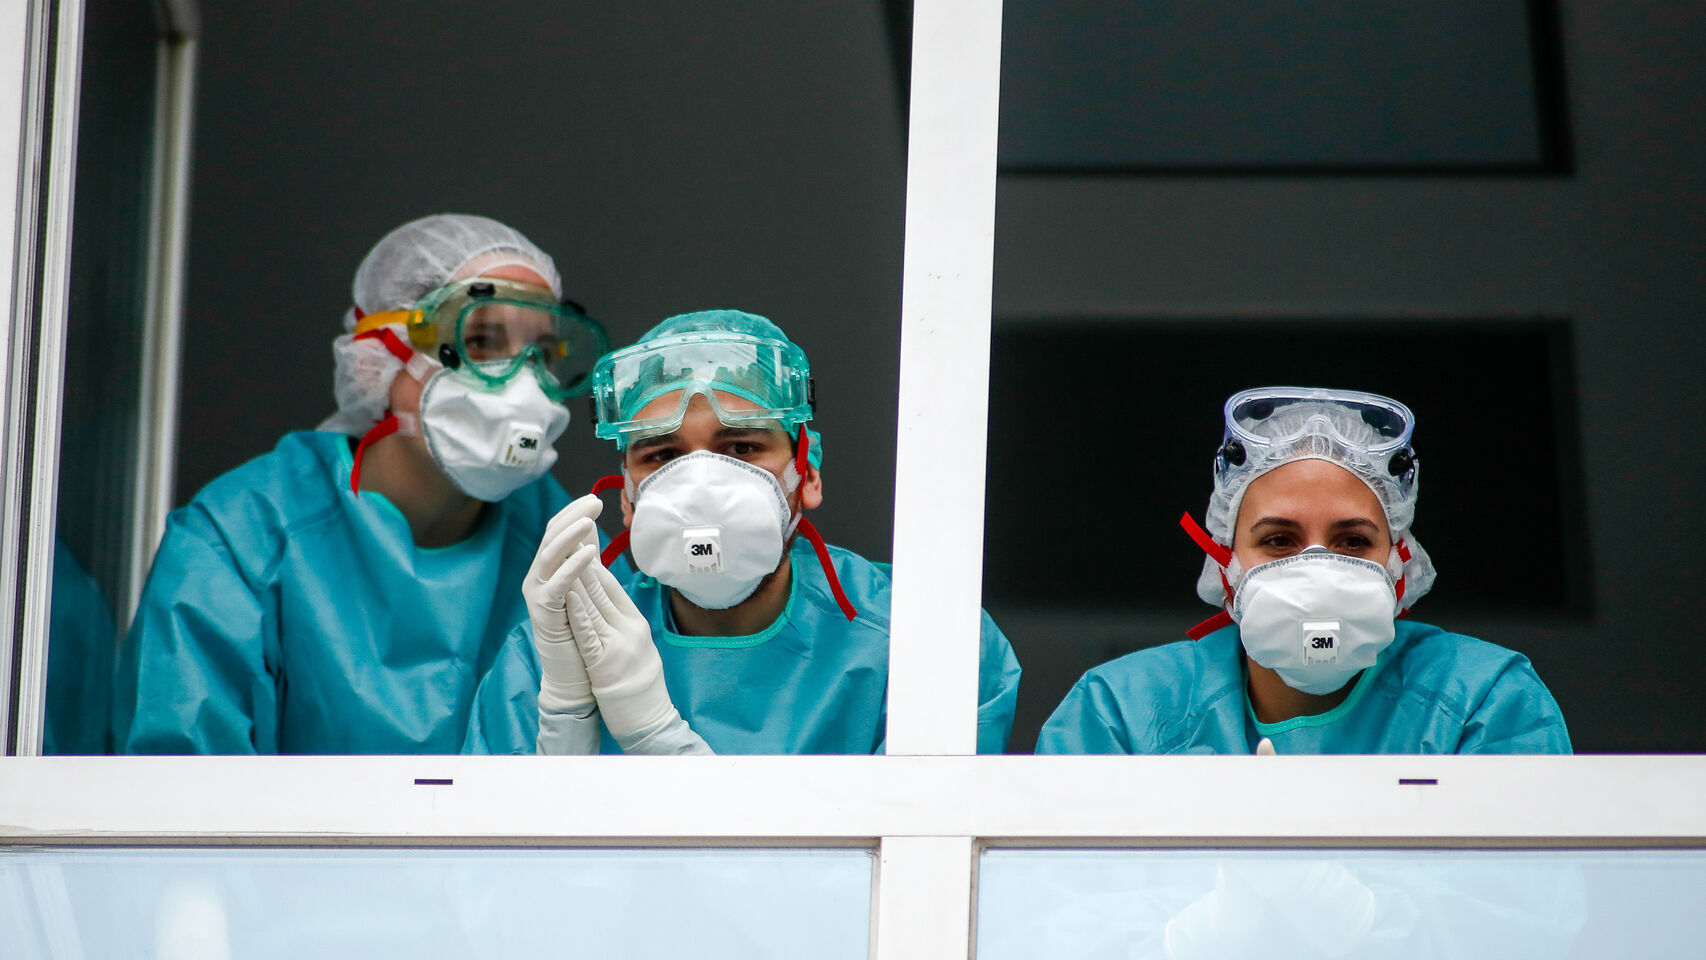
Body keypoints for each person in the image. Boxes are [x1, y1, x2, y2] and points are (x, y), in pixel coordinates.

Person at [112, 214, 617, 753]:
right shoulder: (243, 540)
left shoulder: (573, 555)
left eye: (541, 353)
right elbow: (179, 799)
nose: (522, 381)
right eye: (480, 341)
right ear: (376, 356)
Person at [465, 309, 1023, 754]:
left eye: (741, 447)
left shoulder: (926, 646)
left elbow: (906, 881)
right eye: (661, 455)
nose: (700, 481)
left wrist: (653, 733)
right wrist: (566, 719)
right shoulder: (553, 659)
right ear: (628, 500)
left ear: (805, 474)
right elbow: (499, 874)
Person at [1037, 386, 1570, 755]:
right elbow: (1066, 909)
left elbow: (1526, 906)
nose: (1316, 568)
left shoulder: (1483, 702)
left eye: (1353, 541)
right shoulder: (1123, 713)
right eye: (1278, 541)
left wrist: (1365, 917)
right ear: (1226, 562)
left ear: (1400, 562)